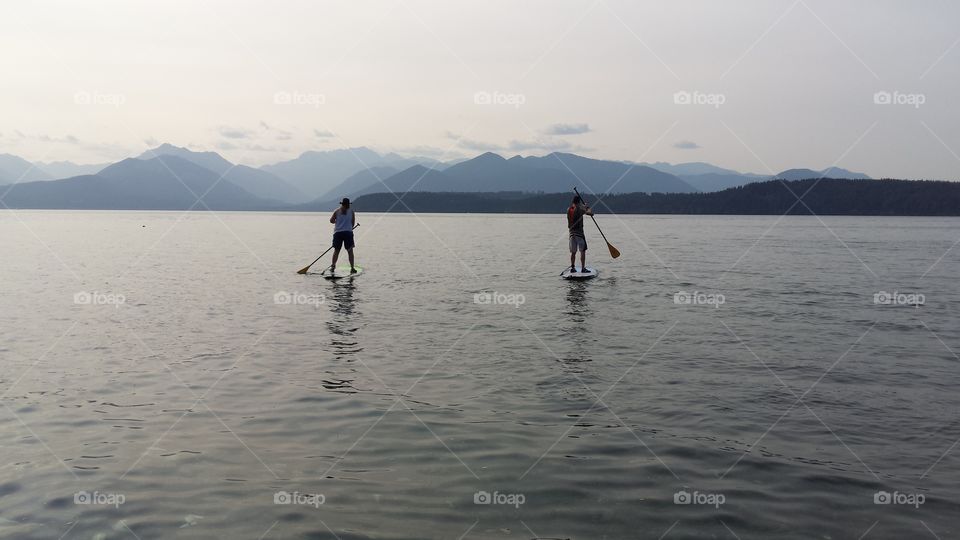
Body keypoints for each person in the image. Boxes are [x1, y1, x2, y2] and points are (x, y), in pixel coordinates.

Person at [329, 197, 357, 274]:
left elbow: (331, 221)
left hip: (338, 233)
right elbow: (353, 223)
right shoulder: (351, 211)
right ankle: (352, 268)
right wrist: (349, 228)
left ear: (342, 204)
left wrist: (337, 222)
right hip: (348, 233)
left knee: (336, 251)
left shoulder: (337, 211)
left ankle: (333, 267)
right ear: (348, 204)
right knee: (350, 251)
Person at [567, 195, 593, 272]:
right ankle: (583, 268)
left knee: (573, 252)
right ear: (579, 202)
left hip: (571, 234)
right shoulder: (579, 209)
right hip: (579, 233)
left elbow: (577, 207)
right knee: (582, 251)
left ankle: (572, 267)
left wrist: (583, 206)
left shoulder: (568, 209)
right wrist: (587, 207)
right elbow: (590, 213)